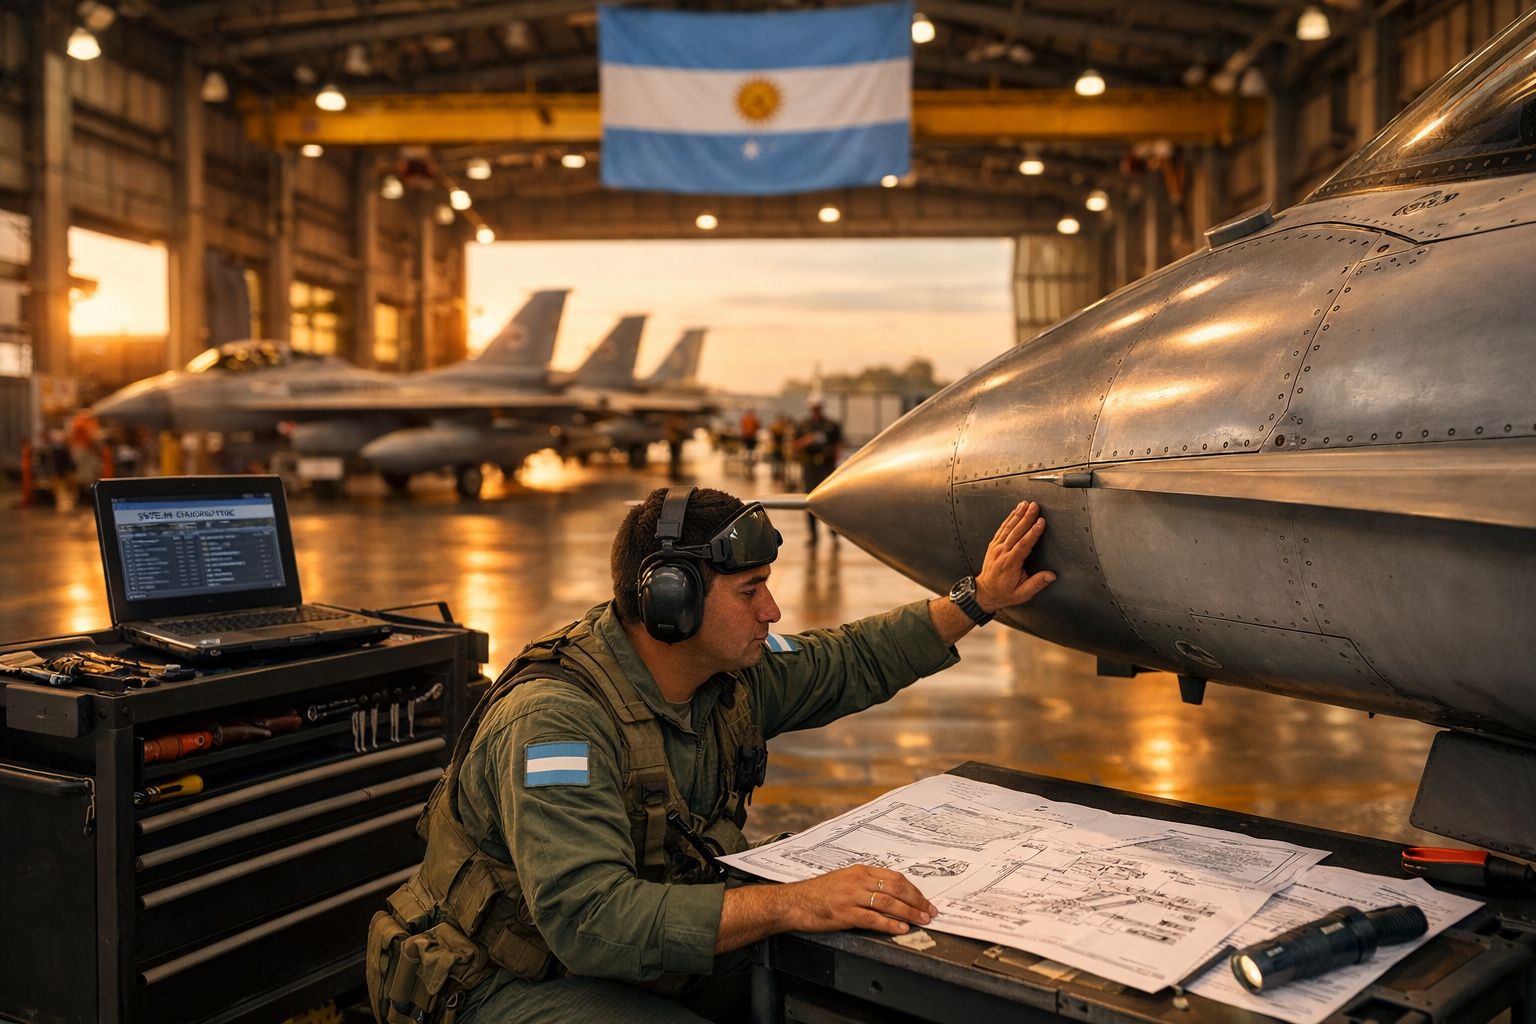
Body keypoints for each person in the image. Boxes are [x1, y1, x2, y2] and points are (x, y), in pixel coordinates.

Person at [366, 487, 1055, 1024]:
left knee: (855, 982)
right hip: (495, 981)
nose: (773, 610)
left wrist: (979, 598)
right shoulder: (557, 724)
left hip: (616, 950)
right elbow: (591, 923)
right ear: (672, 601)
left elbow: (847, 659)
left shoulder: (722, 676)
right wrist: (790, 904)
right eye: (751, 590)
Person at [793, 399, 843, 544]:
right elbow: (795, 446)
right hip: (810, 466)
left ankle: (834, 533)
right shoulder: (803, 425)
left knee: (830, 500)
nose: (816, 411)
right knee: (809, 500)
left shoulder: (831, 425)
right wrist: (806, 441)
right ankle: (813, 536)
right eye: (814, 408)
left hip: (826, 466)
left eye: (818, 408)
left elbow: (838, 445)